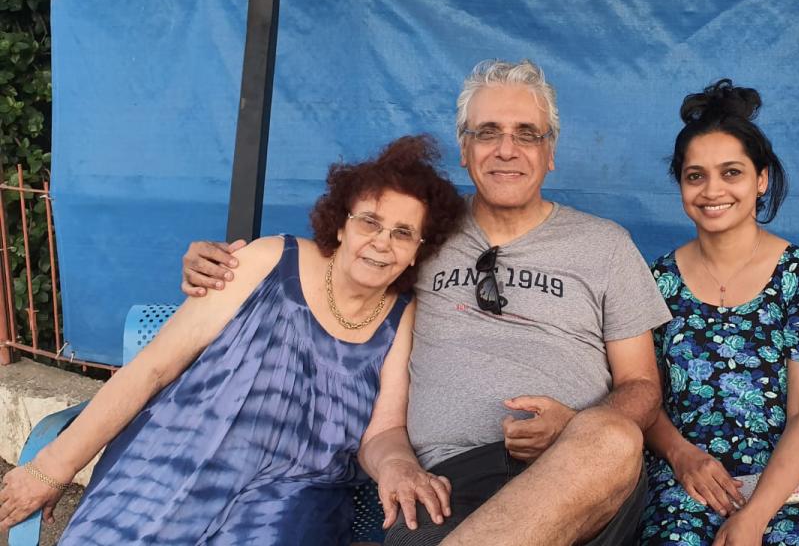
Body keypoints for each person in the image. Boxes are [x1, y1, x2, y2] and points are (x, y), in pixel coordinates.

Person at [180, 59, 672, 546]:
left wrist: (574, 427)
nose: (507, 150)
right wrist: (228, 266)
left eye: (527, 134)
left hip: (581, 473)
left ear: (551, 152)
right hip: (448, 486)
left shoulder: (605, 245)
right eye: (487, 132)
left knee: (612, 437)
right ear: (464, 149)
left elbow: (642, 387)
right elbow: (333, 265)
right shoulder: (420, 234)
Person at [0, 135, 465, 544]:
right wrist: (52, 467)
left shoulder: (402, 317)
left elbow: (383, 430)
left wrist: (398, 466)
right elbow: (153, 368)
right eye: (370, 222)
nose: (382, 242)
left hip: (292, 492)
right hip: (178, 456)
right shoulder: (268, 260)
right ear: (342, 225)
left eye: (403, 233)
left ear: (417, 251)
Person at [638, 81, 799, 545]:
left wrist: (755, 516)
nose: (712, 190)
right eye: (695, 176)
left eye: (731, 173)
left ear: (760, 179)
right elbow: (643, 396)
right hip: (688, 477)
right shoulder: (656, 281)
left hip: (788, 479)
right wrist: (682, 456)